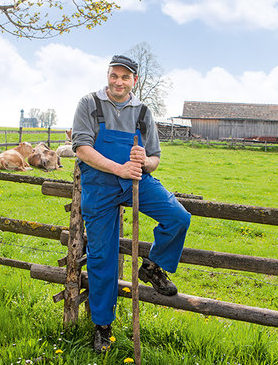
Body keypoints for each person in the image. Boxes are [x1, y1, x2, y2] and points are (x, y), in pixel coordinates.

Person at [71, 54, 192, 353]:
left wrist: (144, 162)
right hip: (100, 186)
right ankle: (103, 327)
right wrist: (119, 168)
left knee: (178, 218)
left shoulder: (142, 111)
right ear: (108, 75)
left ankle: (152, 267)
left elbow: (155, 158)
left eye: (125, 77)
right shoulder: (89, 104)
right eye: (114, 75)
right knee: (103, 259)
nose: (119, 82)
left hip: (135, 182)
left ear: (134, 81)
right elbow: (82, 148)